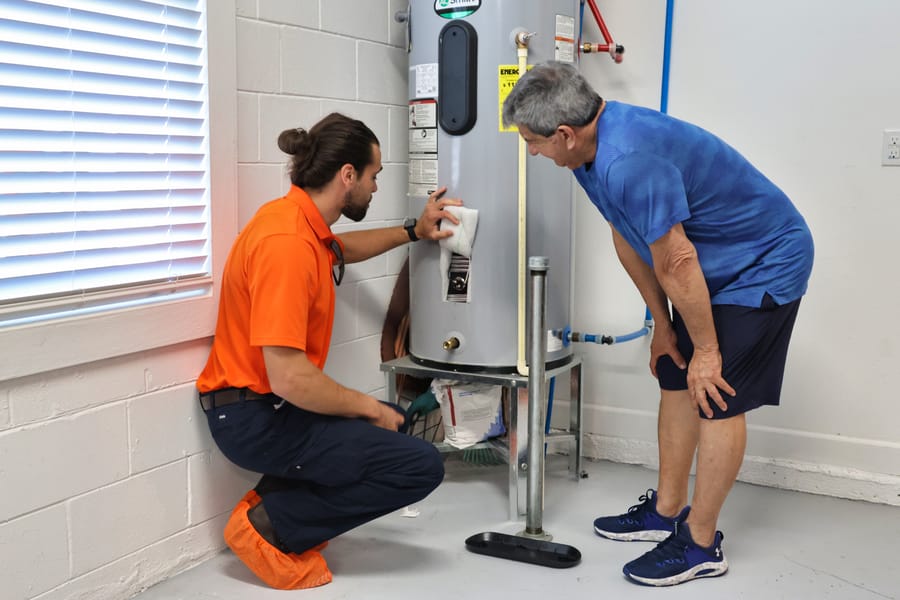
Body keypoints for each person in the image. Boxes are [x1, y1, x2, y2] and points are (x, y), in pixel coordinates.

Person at [503, 62, 813, 586]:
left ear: (564, 133)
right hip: (703, 267)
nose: (532, 152)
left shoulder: (628, 159)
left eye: (533, 142)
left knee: (716, 393)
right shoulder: (588, 154)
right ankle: (666, 512)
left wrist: (709, 352)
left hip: (763, 261)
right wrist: (662, 327)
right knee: (675, 372)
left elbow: (678, 261)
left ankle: (700, 543)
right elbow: (629, 237)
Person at [196, 113, 461, 590]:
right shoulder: (286, 245)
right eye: (374, 176)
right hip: (254, 418)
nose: (375, 187)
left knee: (387, 419)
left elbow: (344, 249)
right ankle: (266, 527)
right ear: (347, 175)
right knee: (419, 462)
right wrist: (365, 409)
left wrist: (413, 231)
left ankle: (277, 506)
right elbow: (290, 379)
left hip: (266, 407)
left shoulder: (297, 222)